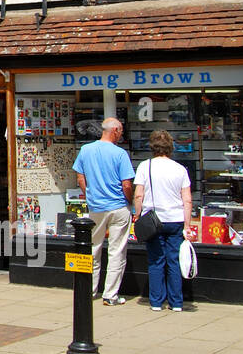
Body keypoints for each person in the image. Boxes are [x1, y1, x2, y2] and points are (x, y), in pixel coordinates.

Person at [72, 117, 135, 306]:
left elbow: (80, 177)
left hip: (96, 208)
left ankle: (88, 291)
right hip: (118, 207)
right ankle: (110, 295)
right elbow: (126, 183)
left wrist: (89, 194)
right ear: (114, 130)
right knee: (117, 252)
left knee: (93, 249)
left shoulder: (86, 150)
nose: (121, 134)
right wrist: (129, 201)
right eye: (121, 130)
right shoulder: (120, 154)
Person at [134, 130, 193, 312]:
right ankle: (176, 303)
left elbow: (138, 195)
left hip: (154, 220)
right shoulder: (180, 169)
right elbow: (187, 199)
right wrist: (187, 225)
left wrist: (137, 215)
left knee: (156, 261)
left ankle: (156, 302)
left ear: (152, 147)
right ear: (171, 147)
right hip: (175, 220)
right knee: (174, 261)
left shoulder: (145, 166)